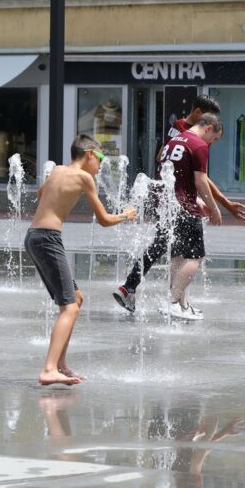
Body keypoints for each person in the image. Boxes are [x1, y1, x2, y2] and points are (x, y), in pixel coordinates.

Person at [25, 135, 136, 386]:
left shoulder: (57, 170)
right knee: (70, 307)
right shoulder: (85, 178)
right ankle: (49, 368)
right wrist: (127, 216)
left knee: (76, 298)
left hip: (34, 236)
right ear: (89, 154)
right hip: (47, 238)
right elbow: (106, 220)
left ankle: (60, 364)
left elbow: (42, 194)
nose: (100, 166)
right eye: (100, 160)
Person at [113, 114, 224, 321]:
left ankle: (181, 305)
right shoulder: (199, 145)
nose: (212, 143)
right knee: (195, 257)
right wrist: (213, 207)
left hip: (168, 205)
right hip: (184, 208)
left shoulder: (174, 141)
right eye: (215, 138)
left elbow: (172, 178)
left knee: (178, 255)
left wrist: (194, 200)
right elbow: (200, 181)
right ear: (208, 128)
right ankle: (172, 302)